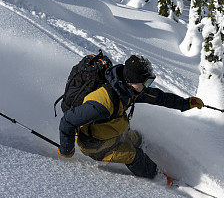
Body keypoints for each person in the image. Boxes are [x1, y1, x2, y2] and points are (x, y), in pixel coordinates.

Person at [58, 54, 204, 179]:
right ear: (133, 81)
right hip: (94, 144)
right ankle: (157, 177)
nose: (147, 85)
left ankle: (154, 156)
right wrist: (67, 150)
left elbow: (158, 97)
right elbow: (67, 121)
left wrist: (185, 104)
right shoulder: (102, 101)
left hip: (113, 132)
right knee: (132, 155)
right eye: (146, 82)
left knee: (138, 138)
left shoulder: (128, 89)